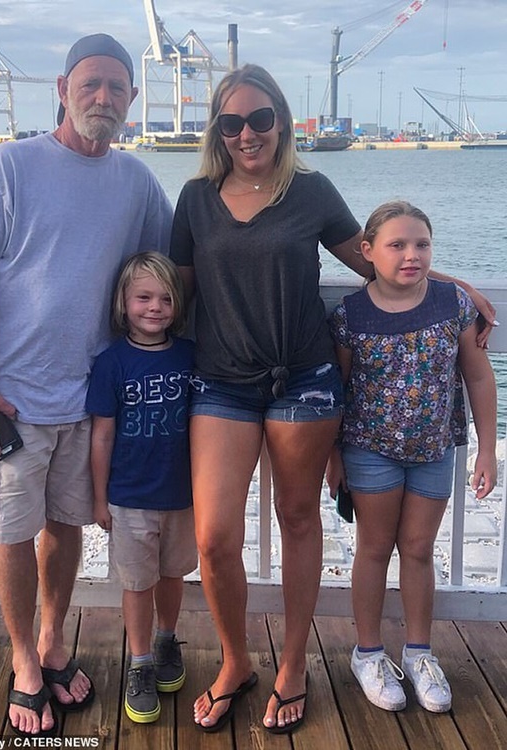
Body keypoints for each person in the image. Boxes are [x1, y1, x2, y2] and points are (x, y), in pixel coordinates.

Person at [168, 63, 498, 735]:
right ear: (218, 131)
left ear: (282, 123)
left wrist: (453, 285)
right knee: (214, 536)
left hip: (306, 379)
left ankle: (293, 665)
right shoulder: (196, 198)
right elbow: (175, 293)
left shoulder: (311, 190)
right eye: (232, 123)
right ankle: (236, 661)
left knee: (297, 518)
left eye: (261, 118)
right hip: (222, 381)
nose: (247, 133)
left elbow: (374, 260)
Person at [0, 34, 172, 737]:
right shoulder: (10, 165)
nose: (103, 97)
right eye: (90, 83)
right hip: (12, 399)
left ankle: (51, 641)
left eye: (117, 87)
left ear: (133, 99)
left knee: (66, 526)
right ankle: (23, 661)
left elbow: (179, 266)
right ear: (62, 88)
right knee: (13, 532)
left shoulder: (138, 182)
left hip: (92, 401)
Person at [326, 200, 497, 714]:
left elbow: (479, 377)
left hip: (433, 451)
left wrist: (487, 450)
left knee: (419, 549)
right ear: (367, 251)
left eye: (421, 244)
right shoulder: (350, 316)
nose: (411, 255)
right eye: (397, 245)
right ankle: (368, 653)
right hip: (370, 450)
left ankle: (419, 653)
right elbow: (339, 390)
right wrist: (334, 456)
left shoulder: (452, 303)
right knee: (375, 548)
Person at [86, 252, 196, 724]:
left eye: (166, 298)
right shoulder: (111, 363)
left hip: (183, 495)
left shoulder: (190, 355)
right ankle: (140, 661)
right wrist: (99, 497)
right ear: (123, 303)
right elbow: (102, 435)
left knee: (172, 575)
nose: (155, 307)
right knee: (136, 583)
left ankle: (167, 640)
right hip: (129, 497)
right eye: (144, 297)